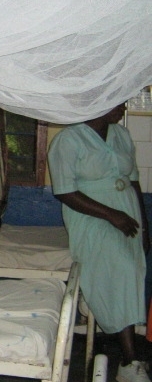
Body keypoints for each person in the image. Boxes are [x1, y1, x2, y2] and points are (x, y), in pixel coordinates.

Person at [48, 103, 150, 382]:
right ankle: (129, 360)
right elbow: (65, 192)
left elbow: (134, 182)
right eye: (118, 102)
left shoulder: (122, 135)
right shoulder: (68, 139)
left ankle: (127, 358)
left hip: (127, 213)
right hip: (91, 215)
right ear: (99, 103)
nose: (124, 107)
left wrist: (145, 227)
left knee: (130, 272)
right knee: (122, 268)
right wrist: (111, 215)